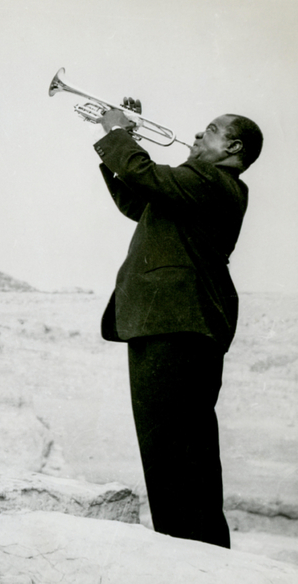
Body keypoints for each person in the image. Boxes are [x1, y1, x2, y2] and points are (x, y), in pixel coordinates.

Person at [94, 102, 263, 547]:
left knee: (175, 453)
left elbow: (147, 176)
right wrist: (117, 143)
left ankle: (191, 556)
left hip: (176, 325)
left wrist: (119, 133)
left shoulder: (214, 180)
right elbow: (137, 198)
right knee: (177, 452)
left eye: (209, 131)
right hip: (170, 324)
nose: (196, 134)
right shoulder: (196, 189)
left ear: (233, 147)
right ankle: (196, 553)